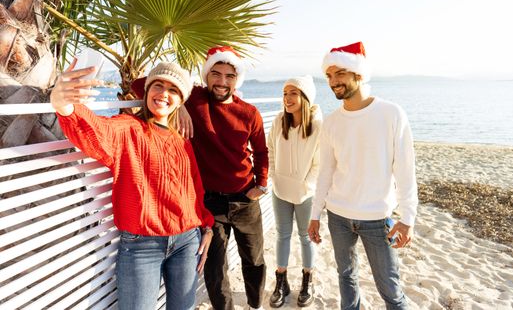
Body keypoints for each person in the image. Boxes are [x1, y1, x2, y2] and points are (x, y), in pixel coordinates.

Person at [52, 61, 214, 310]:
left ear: (180, 101)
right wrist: (63, 104)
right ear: (147, 91)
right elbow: (96, 129)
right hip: (141, 247)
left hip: (187, 241)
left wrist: (207, 226)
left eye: (173, 90)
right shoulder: (129, 129)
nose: (163, 93)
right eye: (158, 85)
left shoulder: (182, 141)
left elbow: (194, 190)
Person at [307, 42, 418, 310]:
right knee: (346, 277)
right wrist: (314, 215)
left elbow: (405, 169)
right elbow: (326, 173)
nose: (333, 81)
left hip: (378, 218)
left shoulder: (391, 113)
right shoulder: (332, 122)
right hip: (338, 216)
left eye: (340, 73)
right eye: (329, 76)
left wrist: (408, 218)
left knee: (390, 289)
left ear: (358, 74)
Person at [178, 46, 269, 310]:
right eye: (215, 74)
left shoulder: (249, 112)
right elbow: (142, 86)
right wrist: (181, 104)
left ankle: (255, 305)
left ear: (236, 80)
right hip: (209, 203)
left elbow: (262, 151)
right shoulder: (194, 99)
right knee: (216, 268)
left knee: (254, 259)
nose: (221, 81)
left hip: (245, 200)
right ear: (206, 76)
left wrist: (261, 185)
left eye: (229, 76)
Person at [267, 75, 322, 308]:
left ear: (305, 97)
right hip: (280, 189)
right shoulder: (280, 121)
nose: (287, 99)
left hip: (306, 193)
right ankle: (281, 282)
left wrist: (305, 185)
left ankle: (307, 280)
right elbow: (269, 148)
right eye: (285, 94)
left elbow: (321, 163)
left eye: (293, 93)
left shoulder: (319, 126)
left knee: (306, 236)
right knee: (282, 235)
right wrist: (273, 174)